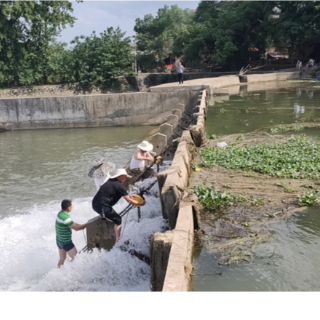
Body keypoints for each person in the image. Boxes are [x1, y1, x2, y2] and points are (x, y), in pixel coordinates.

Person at [92, 169, 146, 243]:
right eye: (124, 177)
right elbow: (129, 201)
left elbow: (120, 195)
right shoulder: (119, 186)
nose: (125, 179)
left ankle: (102, 215)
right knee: (117, 219)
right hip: (103, 207)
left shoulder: (109, 182)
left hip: (95, 205)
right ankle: (118, 240)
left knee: (109, 214)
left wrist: (130, 196)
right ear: (120, 176)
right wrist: (141, 203)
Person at [56, 200, 87, 268]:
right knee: (77, 259)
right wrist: (87, 225)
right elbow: (76, 228)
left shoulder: (60, 214)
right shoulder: (65, 217)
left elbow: (72, 223)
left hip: (59, 241)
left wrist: (81, 225)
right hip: (66, 243)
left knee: (62, 260)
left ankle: (58, 273)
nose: (71, 207)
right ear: (68, 207)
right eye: (71, 206)